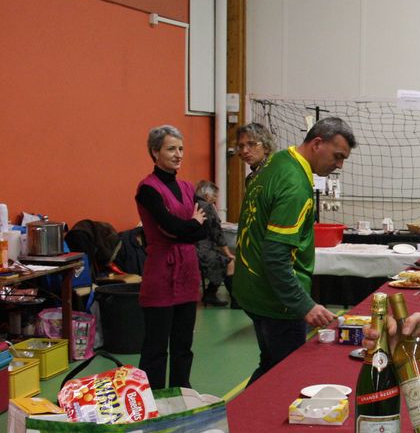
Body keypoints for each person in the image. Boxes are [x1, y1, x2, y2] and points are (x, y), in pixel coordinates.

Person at [233, 117, 357, 385]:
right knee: (285, 379)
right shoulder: (295, 185)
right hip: (278, 301)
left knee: (270, 365)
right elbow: (276, 256)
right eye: (337, 156)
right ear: (317, 144)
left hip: (252, 290)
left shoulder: (276, 162)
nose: (339, 165)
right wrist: (303, 304)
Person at [135, 125, 208, 389]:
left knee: (183, 344)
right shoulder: (147, 189)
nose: (178, 155)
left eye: (181, 149)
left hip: (188, 271)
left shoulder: (187, 187)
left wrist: (185, 228)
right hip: (161, 272)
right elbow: (170, 226)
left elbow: (205, 228)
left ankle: (181, 394)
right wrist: (192, 224)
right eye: (171, 149)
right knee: (156, 346)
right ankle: (152, 398)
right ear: (155, 152)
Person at [194, 180, 234, 307]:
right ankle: (236, 301)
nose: (215, 199)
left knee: (221, 260)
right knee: (229, 262)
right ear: (207, 196)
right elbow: (217, 233)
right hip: (202, 250)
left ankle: (210, 294)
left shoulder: (191, 202)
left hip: (191, 248)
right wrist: (228, 253)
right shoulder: (207, 206)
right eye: (215, 196)